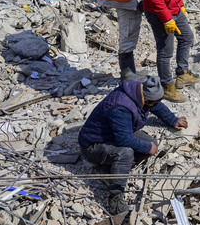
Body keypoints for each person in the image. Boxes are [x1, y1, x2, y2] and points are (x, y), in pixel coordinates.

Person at [78, 76, 188, 214]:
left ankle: (114, 167)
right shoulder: (120, 108)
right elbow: (124, 139)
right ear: (147, 101)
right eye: (153, 103)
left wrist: (173, 120)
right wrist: (148, 148)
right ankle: (115, 198)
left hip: (112, 134)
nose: (155, 104)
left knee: (151, 143)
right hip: (93, 145)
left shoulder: (140, 91)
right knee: (126, 153)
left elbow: (156, 105)